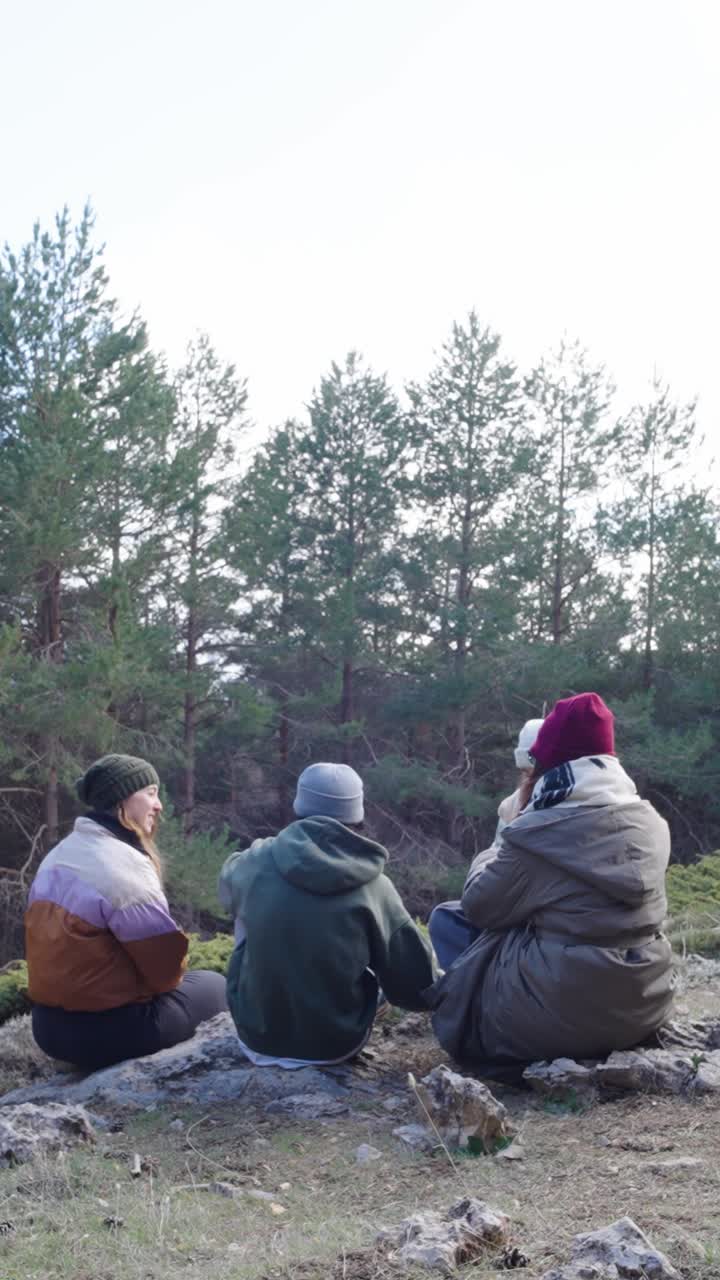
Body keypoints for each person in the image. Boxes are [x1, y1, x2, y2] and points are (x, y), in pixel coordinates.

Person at [429, 693, 674, 1075]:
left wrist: (505, 836)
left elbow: (479, 906)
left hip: (561, 1012)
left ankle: (475, 1020)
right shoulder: (651, 821)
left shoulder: (539, 831)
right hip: (643, 1005)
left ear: (547, 765)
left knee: (451, 920)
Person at [218, 762, 436, 1068]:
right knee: (379, 954)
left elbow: (225, 892)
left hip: (256, 1036)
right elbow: (415, 985)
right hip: (333, 1043)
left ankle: (270, 1007)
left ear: (299, 805)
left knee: (246, 907)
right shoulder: (374, 885)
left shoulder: (253, 860)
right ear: (357, 813)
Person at [26, 754, 227, 1070]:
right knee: (215, 985)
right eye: (150, 792)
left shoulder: (56, 858)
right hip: (112, 1031)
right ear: (121, 799)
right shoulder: (122, 866)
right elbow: (165, 975)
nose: (158, 805)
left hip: (48, 1030)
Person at [429, 717, 544, 970]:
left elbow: (485, 895)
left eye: (531, 771)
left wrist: (484, 859)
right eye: (526, 772)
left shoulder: (539, 811)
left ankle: (468, 992)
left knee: (453, 921)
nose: (529, 779)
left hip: (536, 925)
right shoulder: (513, 806)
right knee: (447, 916)